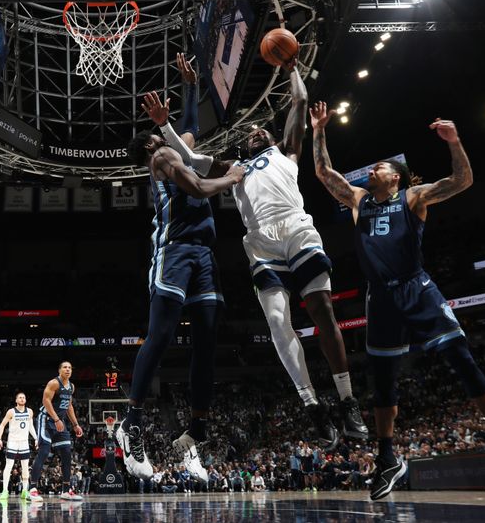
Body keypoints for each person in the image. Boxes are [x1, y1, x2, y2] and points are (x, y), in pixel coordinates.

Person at [308, 102, 485, 500]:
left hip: (417, 288)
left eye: (380, 166)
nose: (373, 170)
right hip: (379, 298)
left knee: (463, 361)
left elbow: (462, 180)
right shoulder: (360, 199)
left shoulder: (414, 197)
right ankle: (387, 459)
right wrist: (319, 130)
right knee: (382, 385)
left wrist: (455, 141)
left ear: (394, 177)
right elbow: (324, 174)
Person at [144, 54, 368, 449]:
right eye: (247, 131)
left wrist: (293, 65)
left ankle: (347, 401)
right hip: (260, 240)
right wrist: (165, 124)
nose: (252, 130)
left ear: (268, 137)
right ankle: (312, 404)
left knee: (322, 310)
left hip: (296, 226)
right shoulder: (235, 167)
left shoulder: (287, 151)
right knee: (279, 322)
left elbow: (298, 103)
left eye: (257, 128)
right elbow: (192, 159)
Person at [118, 54, 244, 483]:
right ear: (151, 146)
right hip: (173, 252)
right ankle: (130, 422)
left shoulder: (174, 150)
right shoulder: (160, 161)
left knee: (207, 338)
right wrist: (232, 177)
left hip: (204, 254)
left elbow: (190, 128)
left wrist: (189, 86)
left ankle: (198, 429)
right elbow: (198, 185)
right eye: (159, 133)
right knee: (162, 334)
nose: (166, 132)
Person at [28, 361, 83, 502]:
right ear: (59, 370)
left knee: (66, 453)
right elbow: (46, 401)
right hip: (46, 420)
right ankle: (32, 489)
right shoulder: (54, 383)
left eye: (70, 367)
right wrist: (57, 419)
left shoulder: (71, 386)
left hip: (60, 421)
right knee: (44, 452)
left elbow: (69, 406)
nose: (68, 369)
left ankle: (66, 490)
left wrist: (76, 424)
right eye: (65, 367)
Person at [0, 392, 37, 501]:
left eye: (24, 397)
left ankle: (24, 490)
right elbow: (2, 425)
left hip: (24, 442)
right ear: (16, 400)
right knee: (9, 466)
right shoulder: (11, 412)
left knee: (25, 467)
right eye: (20, 397)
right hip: (13, 442)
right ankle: (5, 491)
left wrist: (36, 438)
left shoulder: (30, 412)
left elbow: (30, 426)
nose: (22, 399)